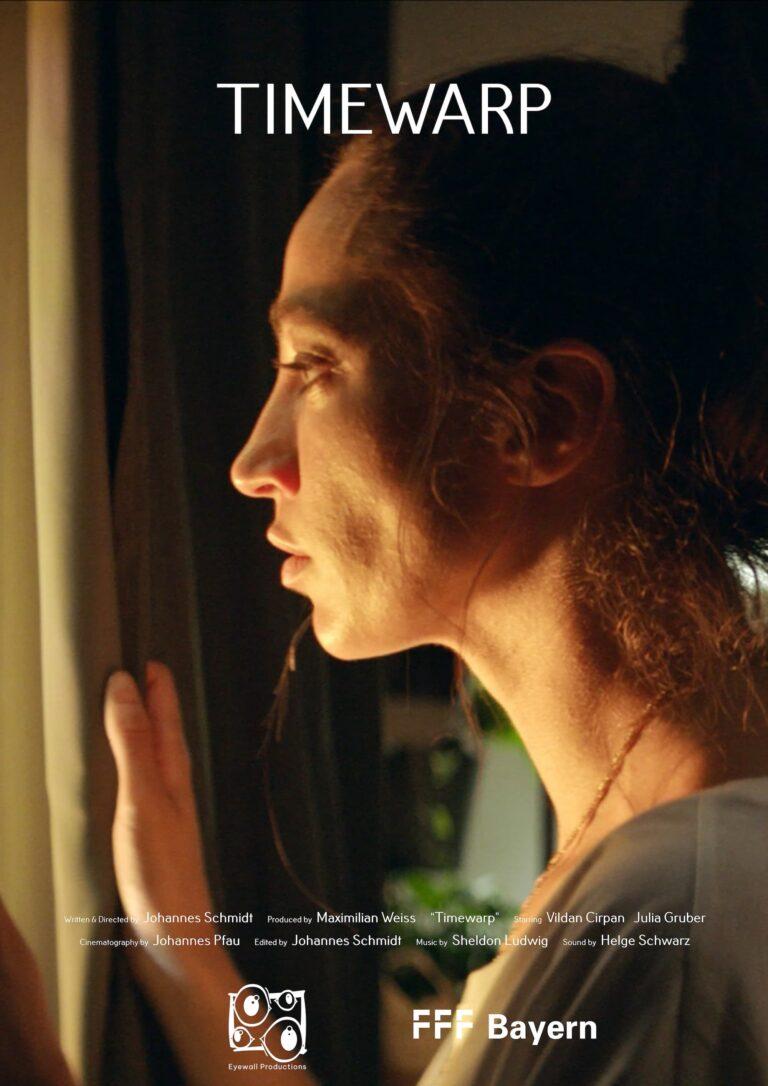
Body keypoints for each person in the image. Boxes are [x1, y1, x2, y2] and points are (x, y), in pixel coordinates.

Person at [2, 0, 767, 1083]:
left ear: (543, 416)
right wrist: (188, 961)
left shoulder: (674, 914)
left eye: (314, 364)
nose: (252, 461)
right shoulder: (659, 861)